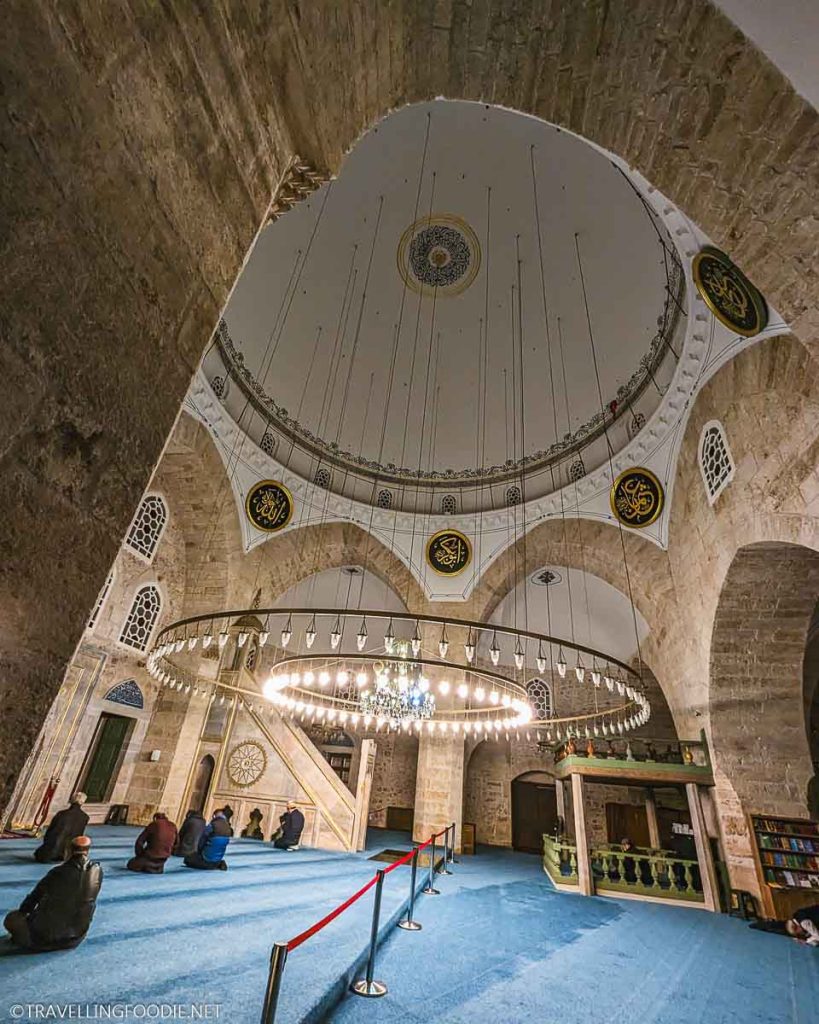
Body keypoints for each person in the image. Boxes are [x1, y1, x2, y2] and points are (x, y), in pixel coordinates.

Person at [4, 835, 102, 951]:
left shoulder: (58, 872)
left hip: (44, 938)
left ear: (68, 851)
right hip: (76, 937)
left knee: (12, 918)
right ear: (88, 851)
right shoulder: (98, 871)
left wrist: (23, 914)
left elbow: (31, 901)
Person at [33, 792, 89, 863]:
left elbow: (50, 832)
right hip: (67, 855)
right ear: (83, 802)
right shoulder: (85, 817)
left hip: (50, 853)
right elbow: (79, 837)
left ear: (71, 800)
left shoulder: (62, 814)